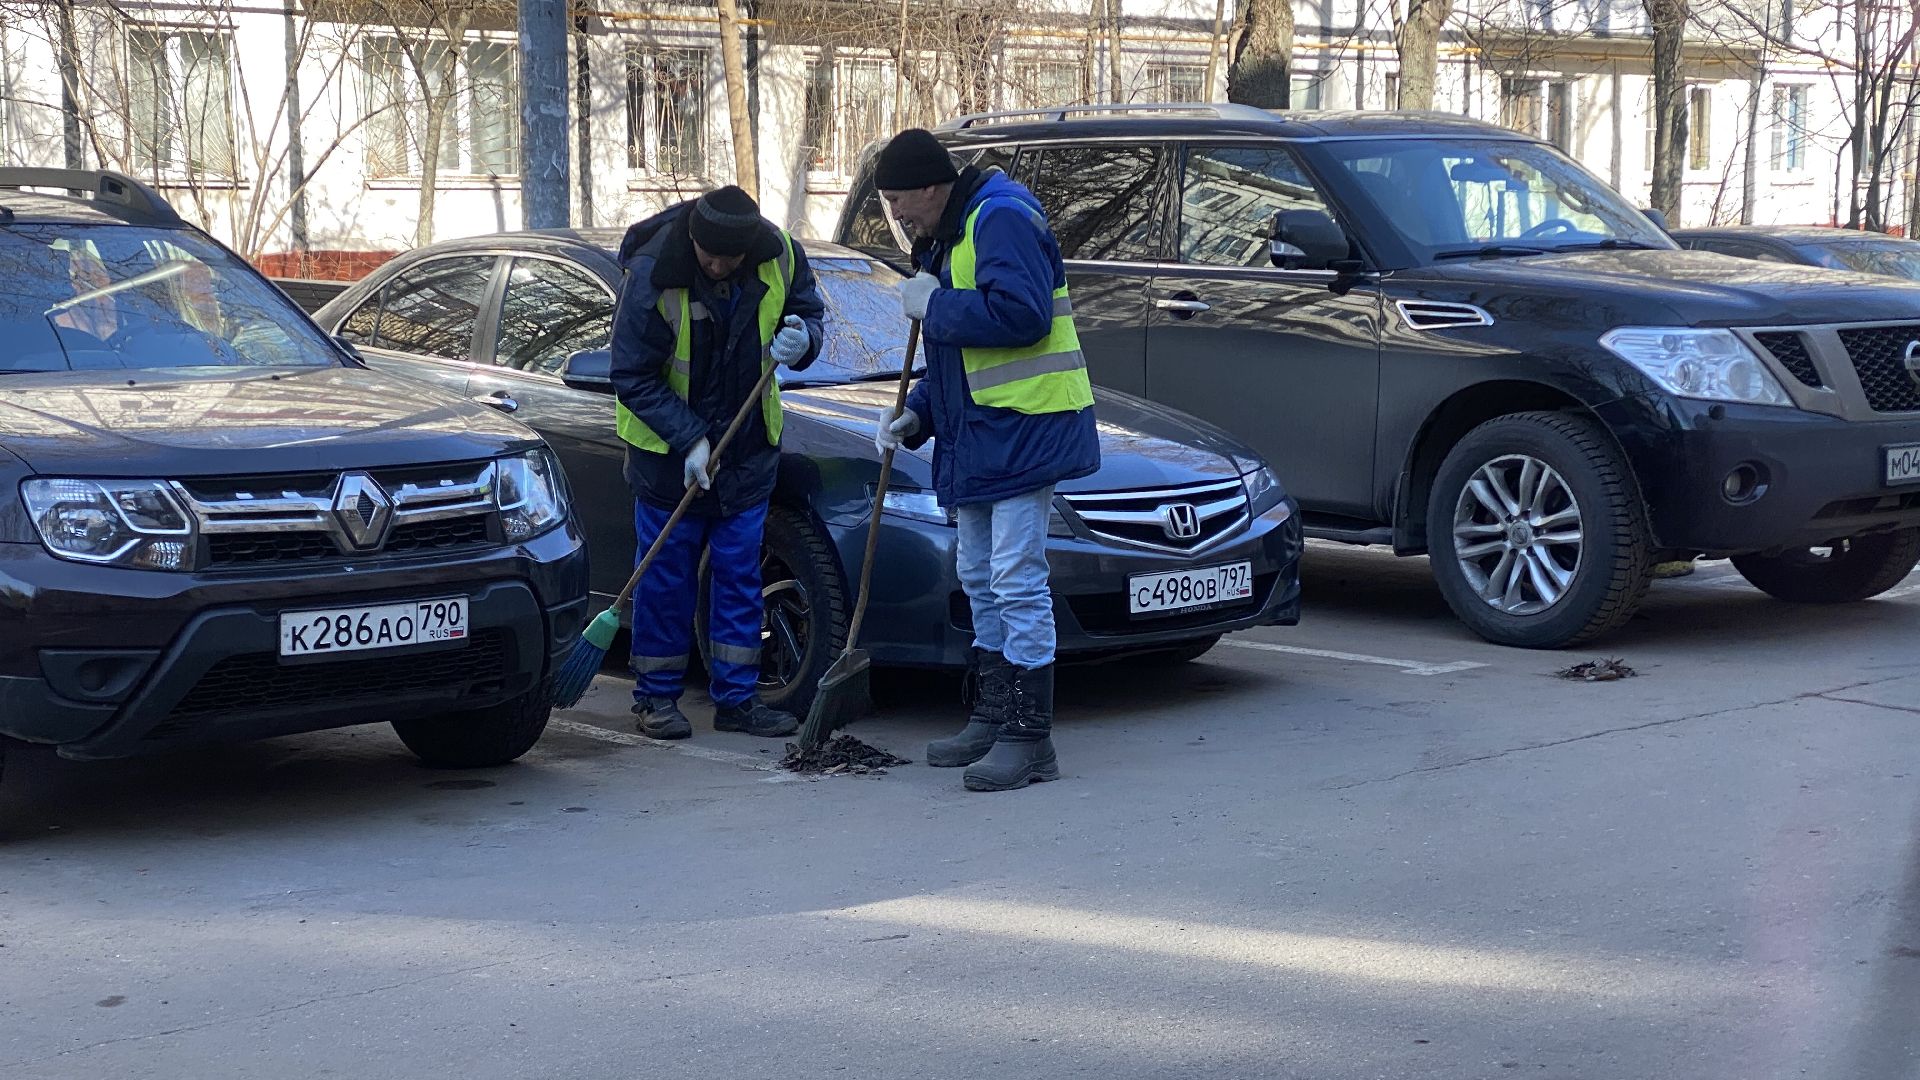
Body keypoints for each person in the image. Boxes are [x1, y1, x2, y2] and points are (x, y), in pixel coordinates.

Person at [872, 129, 1100, 793]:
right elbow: (957, 357)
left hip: (1027, 426)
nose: (896, 215)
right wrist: (918, 413)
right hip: (981, 434)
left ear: (930, 187)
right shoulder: (951, 232)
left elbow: (1022, 317)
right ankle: (994, 715)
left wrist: (936, 304)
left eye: (897, 201)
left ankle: (1031, 738)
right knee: (978, 572)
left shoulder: (1000, 218)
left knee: (1015, 575)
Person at [610, 186, 825, 740]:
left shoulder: (779, 253)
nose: (718, 265)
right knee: (665, 580)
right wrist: (689, 440)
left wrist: (803, 339)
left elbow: (806, 309)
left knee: (739, 577)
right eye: (710, 255)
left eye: (729, 258)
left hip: (747, 450)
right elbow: (632, 374)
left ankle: (738, 700)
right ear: (693, 239)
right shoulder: (655, 271)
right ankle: (656, 699)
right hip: (666, 461)